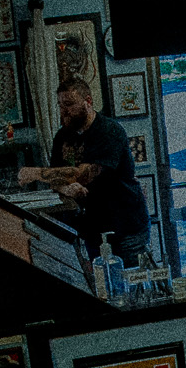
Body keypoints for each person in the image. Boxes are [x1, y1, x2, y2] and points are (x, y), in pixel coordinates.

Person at [15, 78, 149, 264]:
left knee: (129, 277)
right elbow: (56, 178)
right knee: (100, 278)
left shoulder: (109, 131)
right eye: (60, 105)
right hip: (92, 228)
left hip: (126, 226)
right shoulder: (62, 136)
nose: (64, 111)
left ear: (88, 101)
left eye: (69, 104)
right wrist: (66, 188)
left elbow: (84, 174)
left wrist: (36, 173)